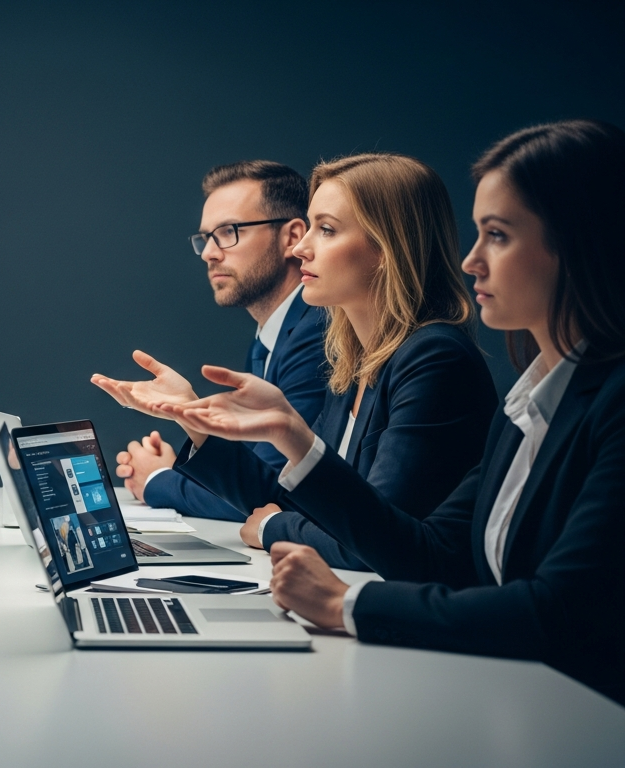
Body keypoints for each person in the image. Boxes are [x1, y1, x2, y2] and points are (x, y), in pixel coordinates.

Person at [137, 120, 625, 703]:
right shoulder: (526, 397)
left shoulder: (442, 358)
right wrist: (277, 433)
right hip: (513, 692)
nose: (471, 261)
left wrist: (344, 601)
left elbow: (553, 610)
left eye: (497, 235)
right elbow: (430, 553)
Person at [95, 153, 497, 571]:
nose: (302, 247)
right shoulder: (353, 361)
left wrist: (275, 529)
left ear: (386, 247)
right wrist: (193, 420)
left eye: (326, 230)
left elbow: (378, 538)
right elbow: (296, 500)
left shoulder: (433, 357)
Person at [115, 161, 327, 522]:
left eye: (229, 232)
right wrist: (189, 429)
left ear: (292, 237)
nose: (210, 253)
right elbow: (254, 475)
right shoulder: (270, 337)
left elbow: (274, 493)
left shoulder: (317, 335)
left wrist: (158, 479)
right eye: (205, 238)